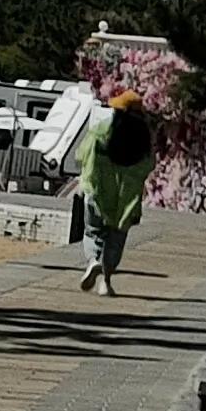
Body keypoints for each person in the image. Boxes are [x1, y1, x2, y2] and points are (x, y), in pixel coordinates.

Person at [78, 91, 153, 296]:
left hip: (99, 191)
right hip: (126, 198)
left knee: (92, 232)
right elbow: (148, 166)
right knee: (116, 239)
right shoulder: (143, 139)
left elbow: (84, 156)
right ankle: (106, 281)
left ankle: (93, 261)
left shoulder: (101, 131)